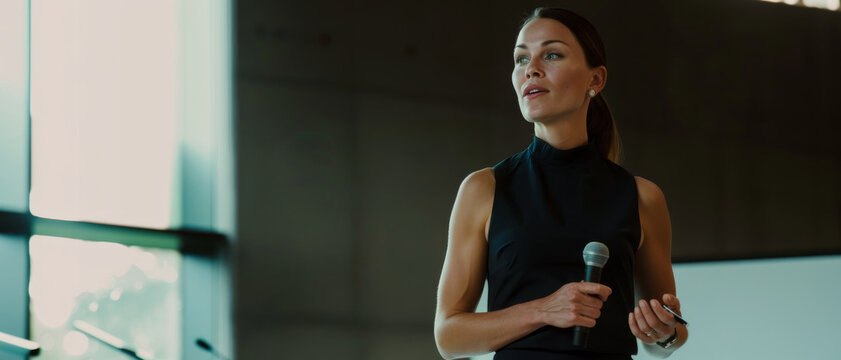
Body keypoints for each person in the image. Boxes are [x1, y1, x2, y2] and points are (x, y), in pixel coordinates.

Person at [433, 7, 688, 360]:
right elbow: (448, 337)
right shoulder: (484, 189)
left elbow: (667, 337)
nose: (531, 69)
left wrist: (663, 333)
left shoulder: (642, 197)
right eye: (521, 59)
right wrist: (544, 310)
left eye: (551, 54)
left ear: (595, 80)